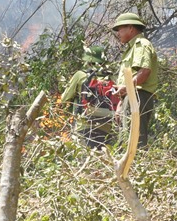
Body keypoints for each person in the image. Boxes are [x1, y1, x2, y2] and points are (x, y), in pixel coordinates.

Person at [110, 12, 159, 147]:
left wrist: (126, 88)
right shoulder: (131, 48)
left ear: (131, 28)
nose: (118, 33)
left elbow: (144, 72)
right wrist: (121, 104)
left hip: (138, 97)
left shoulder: (141, 44)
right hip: (131, 97)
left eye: (120, 29)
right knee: (125, 139)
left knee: (135, 141)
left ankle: (136, 166)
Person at [60, 45, 120, 148]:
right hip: (106, 128)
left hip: (83, 126)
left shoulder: (80, 75)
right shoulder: (113, 78)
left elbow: (64, 99)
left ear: (87, 61)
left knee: (82, 160)